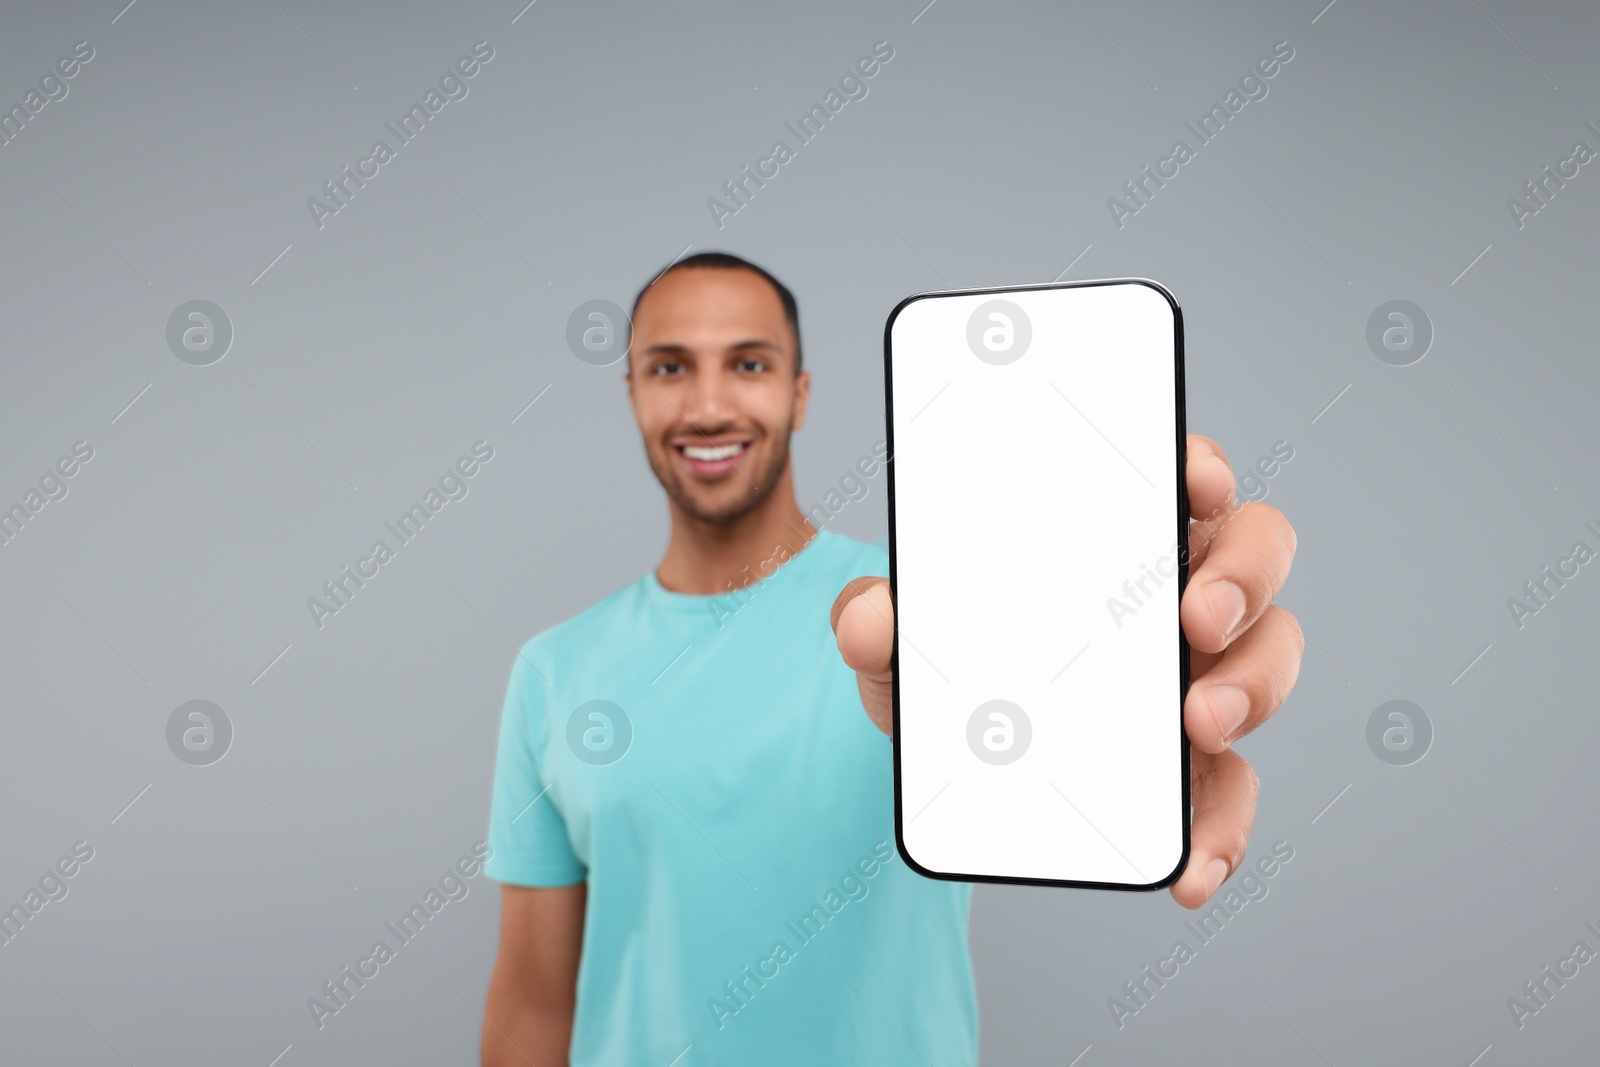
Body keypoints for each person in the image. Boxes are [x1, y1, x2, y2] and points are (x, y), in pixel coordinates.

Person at [479, 252, 1302, 1066]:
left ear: (800, 393)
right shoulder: (554, 672)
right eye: (668, 367)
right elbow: (532, 1002)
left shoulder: (925, 611)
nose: (708, 402)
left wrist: (1155, 642)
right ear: (632, 394)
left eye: (750, 363)